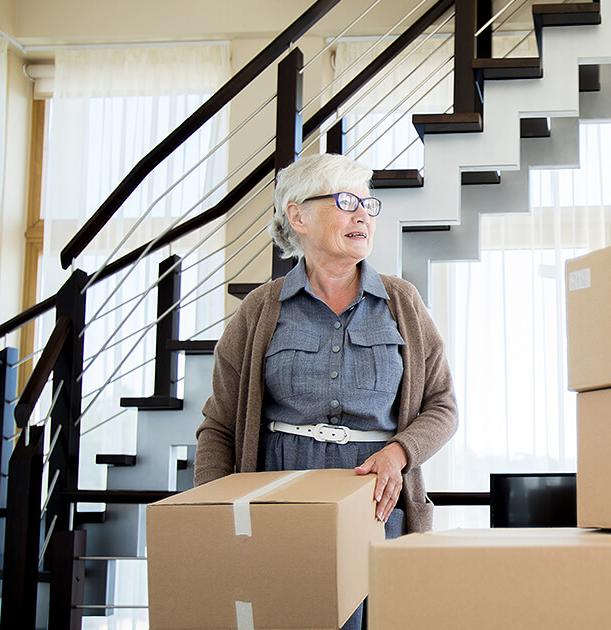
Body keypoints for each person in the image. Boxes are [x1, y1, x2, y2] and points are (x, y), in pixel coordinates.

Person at [194, 153, 457, 629]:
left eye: (367, 204)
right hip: (278, 505)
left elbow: (442, 406)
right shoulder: (259, 309)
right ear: (298, 216)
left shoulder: (403, 303)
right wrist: (214, 515)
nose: (362, 214)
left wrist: (400, 453)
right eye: (344, 201)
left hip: (378, 504)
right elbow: (219, 425)